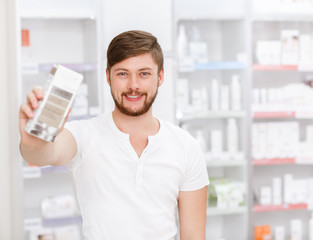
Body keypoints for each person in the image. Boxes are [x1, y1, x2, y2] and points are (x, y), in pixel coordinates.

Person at [19, 30, 209, 240]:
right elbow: (43, 154)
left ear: (160, 76)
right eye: (123, 73)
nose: (133, 85)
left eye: (144, 73)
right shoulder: (84, 135)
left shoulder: (186, 146)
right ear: (108, 77)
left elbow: (193, 236)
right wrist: (34, 141)